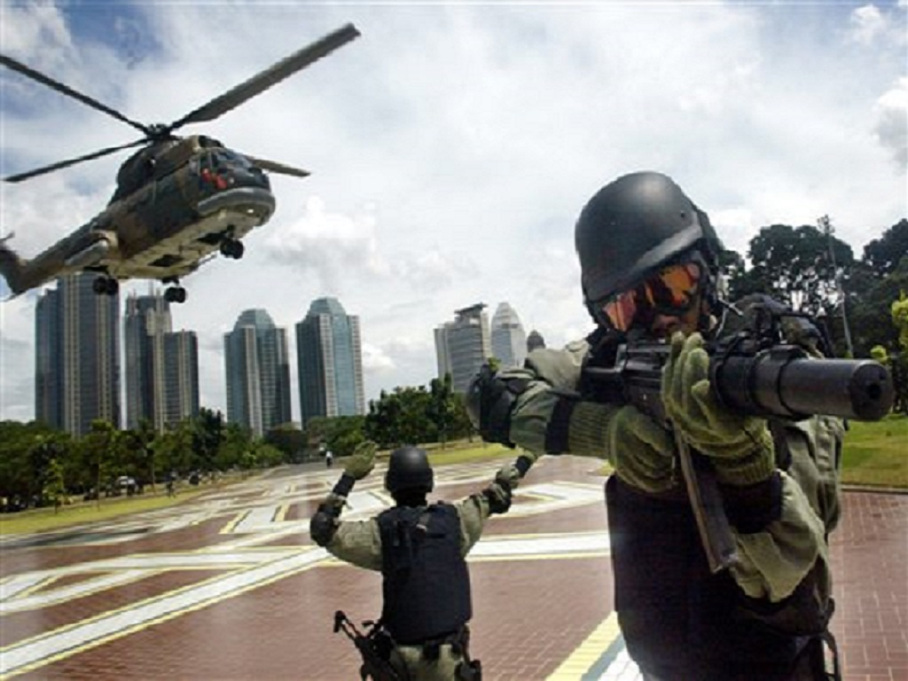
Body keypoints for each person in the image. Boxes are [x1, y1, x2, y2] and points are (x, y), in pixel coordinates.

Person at [467, 171, 844, 681]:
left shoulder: (779, 372)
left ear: (708, 272)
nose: (658, 319)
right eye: (627, 307)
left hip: (770, 659)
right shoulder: (607, 360)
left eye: (672, 287)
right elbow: (491, 397)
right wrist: (595, 429)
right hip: (665, 660)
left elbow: (803, 575)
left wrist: (744, 467)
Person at [310, 441, 529, 681]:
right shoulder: (457, 521)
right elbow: (497, 494)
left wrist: (348, 478)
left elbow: (323, 529)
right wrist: (525, 459)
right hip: (446, 660)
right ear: (429, 481)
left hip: (399, 660)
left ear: (389, 485)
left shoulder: (380, 532)